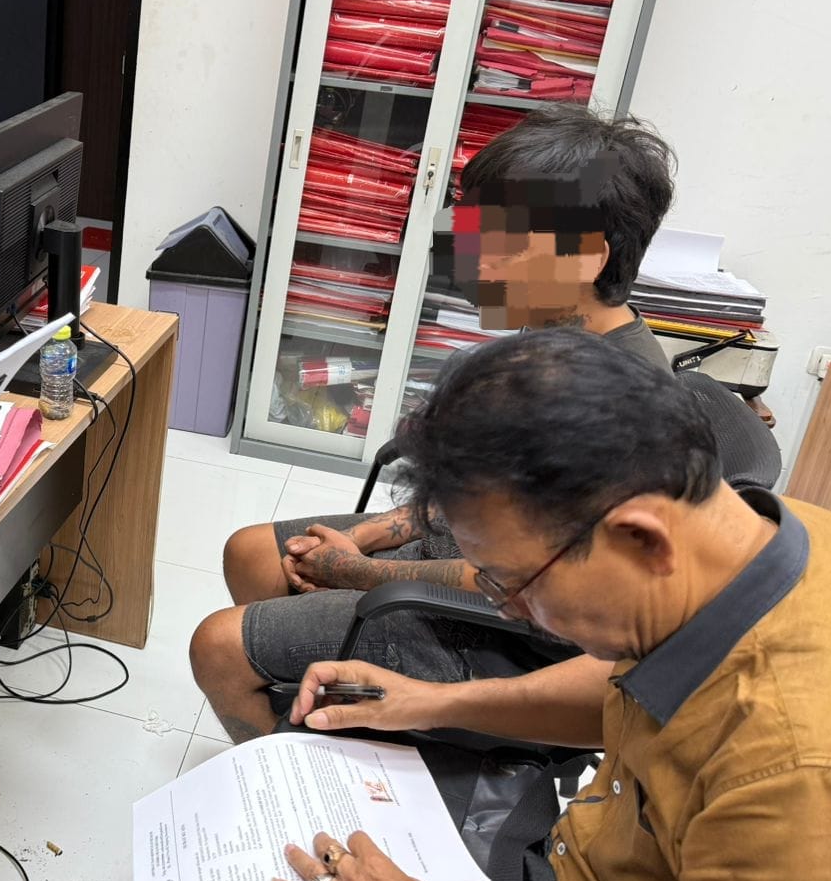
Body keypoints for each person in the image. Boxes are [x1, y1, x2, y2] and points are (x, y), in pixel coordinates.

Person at [142, 329, 831, 881]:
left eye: (515, 581)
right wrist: (431, 700)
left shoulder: (818, 793)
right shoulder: (782, 545)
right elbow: (625, 690)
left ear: (640, 539)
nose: (513, 607)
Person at [193, 105, 677, 742]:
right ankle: (315, 726)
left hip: (511, 634)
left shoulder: (606, 407)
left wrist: (366, 575)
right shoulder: (555, 339)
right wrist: (369, 535)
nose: (475, 259)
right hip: (469, 559)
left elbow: (525, 585)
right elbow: (470, 503)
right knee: (254, 553)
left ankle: (287, 783)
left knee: (218, 647)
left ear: (587, 257)